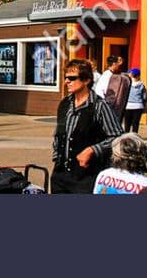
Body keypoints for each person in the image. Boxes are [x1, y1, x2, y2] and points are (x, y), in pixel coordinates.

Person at [50, 58, 122, 194]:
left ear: (87, 80)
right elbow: (58, 133)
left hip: (86, 177)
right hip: (60, 175)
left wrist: (92, 150)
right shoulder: (65, 103)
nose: (66, 82)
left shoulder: (99, 106)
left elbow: (117, 136)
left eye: (72, 78)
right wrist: (56, 155)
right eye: (66, 78)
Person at [122, 67, 147, 133]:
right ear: (139, 75)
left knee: (127, 124)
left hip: (128, 105)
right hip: (138, 106)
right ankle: (135, 137)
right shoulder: (142, 85)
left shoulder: (127, 84)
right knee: (135, 124)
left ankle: (126, 136)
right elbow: (144, 97)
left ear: (132, 75)